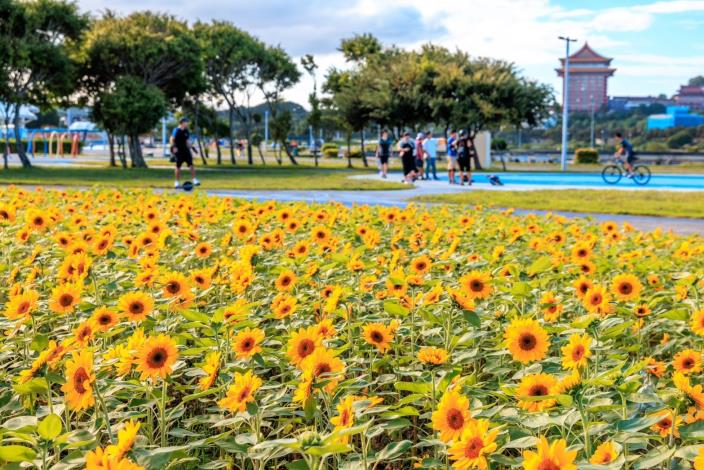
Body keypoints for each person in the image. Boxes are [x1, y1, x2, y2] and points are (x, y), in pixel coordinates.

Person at [170, 118, 199, 189]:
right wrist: (173, 147)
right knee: (178, 166)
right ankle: (176, 182)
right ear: (182, 123)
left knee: (191, 164)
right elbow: (172, 139)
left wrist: (192, 147)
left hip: (186, 151)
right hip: (178, 151)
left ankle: (194, 180)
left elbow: (187, 141)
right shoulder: (176, 130)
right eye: (186, 122)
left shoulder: (186, 131)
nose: (187, 123)